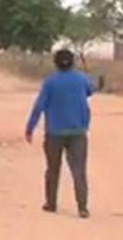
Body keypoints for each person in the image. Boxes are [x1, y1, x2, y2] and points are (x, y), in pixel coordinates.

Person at [24, 48, 95, 219]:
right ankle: (83, 207)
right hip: (78, 131)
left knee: (53, 169)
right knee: (79, 171)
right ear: (73, 62)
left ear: (55, 63)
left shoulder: (50, 82)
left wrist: (30, 127)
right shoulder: (81, 79)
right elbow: (91, 90)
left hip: (54, 132)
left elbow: (39, 106)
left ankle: (51, 203)